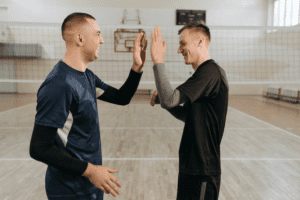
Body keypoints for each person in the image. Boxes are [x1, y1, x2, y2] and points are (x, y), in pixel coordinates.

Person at [29, 12, 147, 200]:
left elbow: (122, 97)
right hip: (68, 190)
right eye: (97, 34)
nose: (101, 41)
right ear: (80, 38)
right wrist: (91, 170)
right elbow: (39, 148)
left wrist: (137, 66)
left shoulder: (87, 77)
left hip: (90, 184)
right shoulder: (59, 84)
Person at [150, 23, 229, 200]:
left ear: (200, 41)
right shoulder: (203, 74)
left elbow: (170, 98)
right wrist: (163, 100)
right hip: (192, 167)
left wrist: (157, 59)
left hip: (203, 170)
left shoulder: (210, 72)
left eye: (183, 44)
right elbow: (188, 115)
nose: (179, 50)